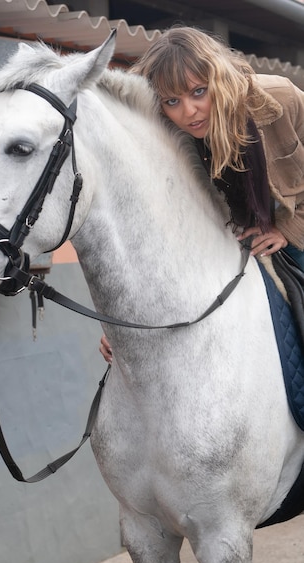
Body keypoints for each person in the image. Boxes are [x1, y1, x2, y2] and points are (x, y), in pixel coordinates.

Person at [100, 24, 304, 363]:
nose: (189, 112)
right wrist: (122, 327)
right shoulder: (168, 138)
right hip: (222, 239)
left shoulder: (280, 98)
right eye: (172, 101)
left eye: (198, 92)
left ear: (219, 80)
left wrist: (288, 228)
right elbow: (159, 234)